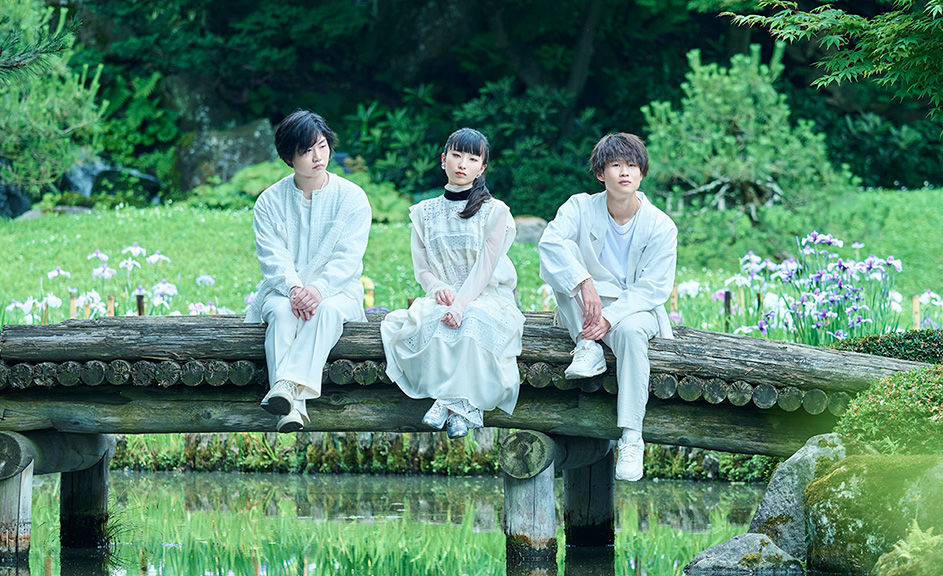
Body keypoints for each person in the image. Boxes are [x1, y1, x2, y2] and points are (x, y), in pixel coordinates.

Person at [538, 132, 677, 481]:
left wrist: (611, 317)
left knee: (629, 333)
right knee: (563, 260)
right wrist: (584, 282)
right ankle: (587, 345)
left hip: (635, 309)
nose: (624, 172)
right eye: (616, 165)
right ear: (601, 173)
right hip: (587, 303)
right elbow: (549, 244)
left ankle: (631, 437)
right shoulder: (579, 207)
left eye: (631, 165)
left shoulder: (661, 226)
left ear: (642, 173)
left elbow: (653, 288)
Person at [380, 128, 524, 438]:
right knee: (433, 321)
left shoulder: (495, 211)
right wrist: (436, 288)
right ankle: (460, 410)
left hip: (487, 296)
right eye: (456, 155)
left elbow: (485, 269)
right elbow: (422, 269)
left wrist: (461, 304)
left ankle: (450, 403)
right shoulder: (423, 212)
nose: (462, 164)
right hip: (443, 297)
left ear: (482, 167)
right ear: (443, 159)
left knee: (472, 317)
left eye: (472, 159)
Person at [244, 110, 372, 433]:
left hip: (338, 291)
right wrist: (294, 288)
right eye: (306, 151)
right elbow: (272, 257)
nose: (318, 157)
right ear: (289, 157)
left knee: (325, 311)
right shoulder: (269, 201)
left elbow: (348, 258)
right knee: (281, 312)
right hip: (283, 291)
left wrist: (318, 290)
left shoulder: (352, 198)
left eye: (322, 146)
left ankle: (285, 388)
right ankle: (292, 411)